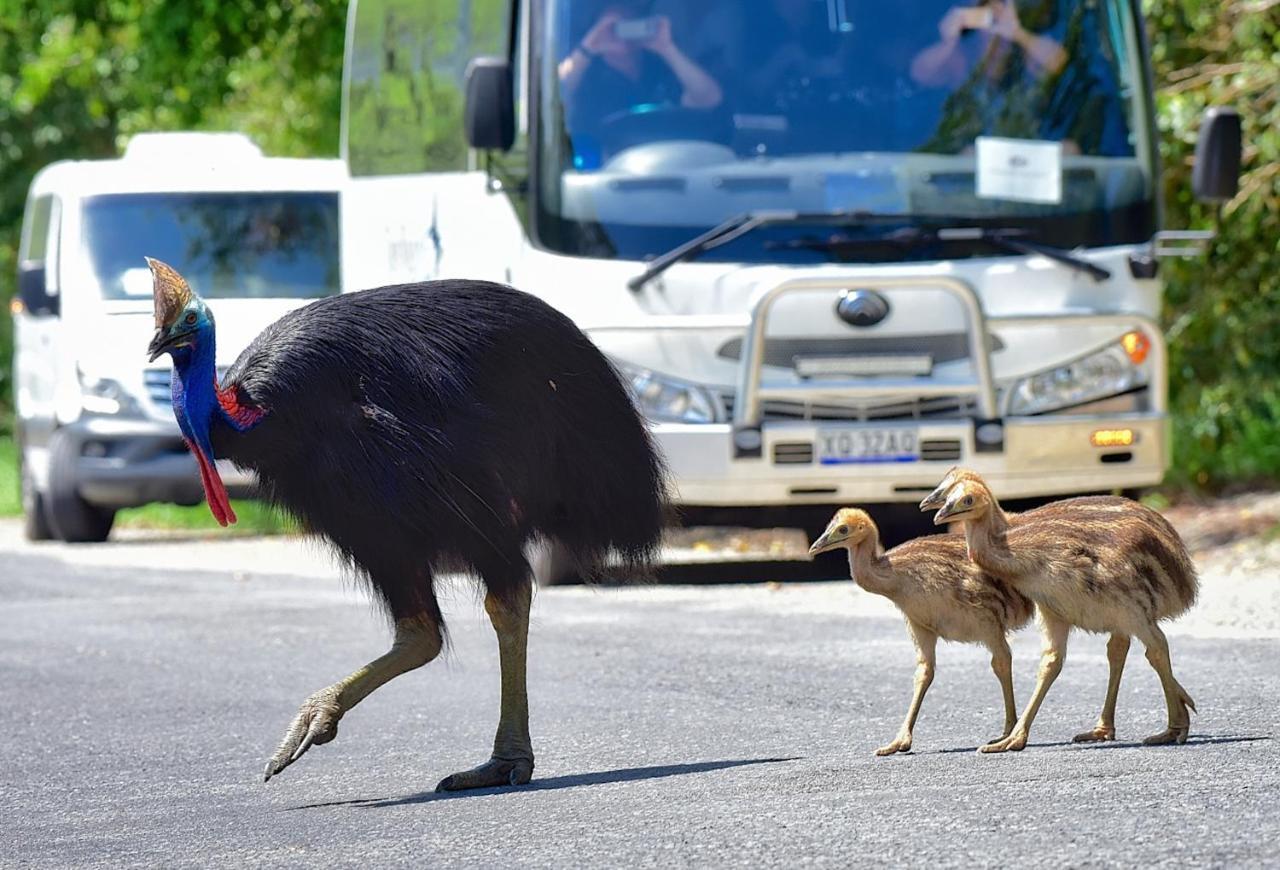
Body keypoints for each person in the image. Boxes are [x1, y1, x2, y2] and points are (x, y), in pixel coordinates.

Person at [557, 5, 724, 126]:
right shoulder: (584, 77)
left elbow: (709, 98)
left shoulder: (661, 71)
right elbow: (551, 98)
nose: (621, 33)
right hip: (603, 168)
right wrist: (588, 47)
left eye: (630, 24)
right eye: (612, 28)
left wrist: (668, 49)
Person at [911, 0, 1067, 89]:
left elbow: (1060, 64)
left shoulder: (1019, 45)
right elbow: (920, 73)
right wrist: (949, 42)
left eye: (999, 6)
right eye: (982, 9)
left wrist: (1017, 33)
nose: (993, 15)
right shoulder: (962, 55)